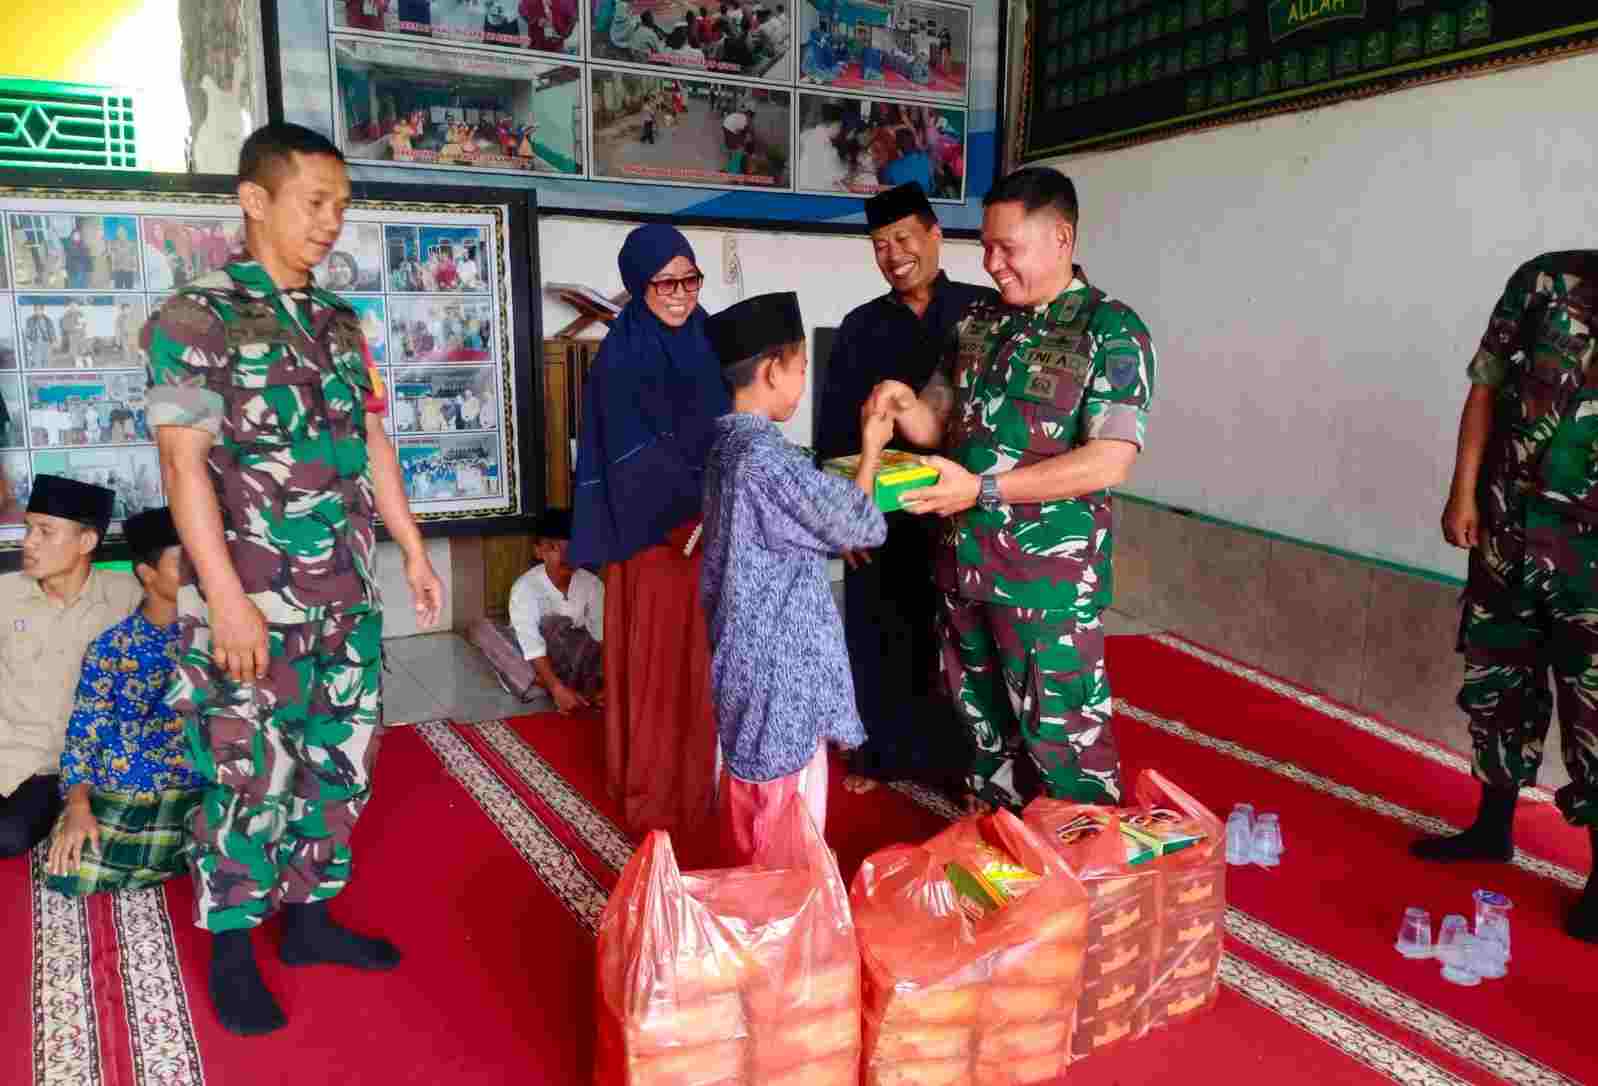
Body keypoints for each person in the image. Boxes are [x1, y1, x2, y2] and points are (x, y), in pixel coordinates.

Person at [142, 122, 444, 1036]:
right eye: (316, 204)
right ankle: (232, 947)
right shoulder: (193, 320)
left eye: (341, 208)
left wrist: (413, 544)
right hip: (253, 603)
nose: (330, 224)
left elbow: (374, 442)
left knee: (339, 762)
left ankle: (310, 922)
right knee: (245, 772)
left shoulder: (338, 322)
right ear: (254, 199)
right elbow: (181, 465)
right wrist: (226, 599)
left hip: (343, 594)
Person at [866, 166, 1156, 813]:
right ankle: (1004, 879)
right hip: (963, 571)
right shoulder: (976, 322)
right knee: (982, 742)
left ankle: (1082, 889)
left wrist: (984, 490)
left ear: (1061, 237)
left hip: (1044, 586)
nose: (992, 263)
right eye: (987, 246)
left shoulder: (1109, 331)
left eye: (1008, 248)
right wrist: (901, 402)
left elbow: (1109, 460)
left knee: (1064, 746)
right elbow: (936, 419)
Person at [1413, 250, 1598, 942]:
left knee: (1594, 711)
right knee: (1499, 681)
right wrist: (1462, 493)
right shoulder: (1544, 283)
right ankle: (1491, 828)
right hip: (1510, 529)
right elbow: (1487, 387)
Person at [816, 182, 999, 795]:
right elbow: (833, 436)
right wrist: (840, 522)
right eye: (878, 245)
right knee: (880, 631)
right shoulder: (859, 327)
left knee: (960, 644)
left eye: (903, 238)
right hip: (886, 521)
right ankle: (878, 754)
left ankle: (961, 764)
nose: (893, 254)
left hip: (964, 512)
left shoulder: (982, 313)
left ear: (935, 236)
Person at [700, 292, 888, 863]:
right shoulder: (765, 457)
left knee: (750, 800)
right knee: (789, 823)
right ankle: (787, 931)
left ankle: (759, 910)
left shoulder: (727, 445)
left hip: (741, 654)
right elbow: (860, 522)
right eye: (802, 367)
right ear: (771, 369)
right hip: (781, 667)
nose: (803, 381)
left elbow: (784, 527)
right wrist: (873, 449)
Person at [570, 224, 727, 837]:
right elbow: (626, 460)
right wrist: (685, 515)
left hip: (710, 534)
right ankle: (657, 794)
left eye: (690, 279)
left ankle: (697, 785)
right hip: (656, 542)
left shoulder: (706, 338)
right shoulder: (621, 356)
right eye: (666, 282)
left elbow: (730, 423)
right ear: (639, 284)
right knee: (661, 671)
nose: (681, 293)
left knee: (701, 669)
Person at [45, 507, 204, 895]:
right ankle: (174, 859)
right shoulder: (112, 646)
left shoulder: (218, 634)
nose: (195, 575)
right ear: (146, 574)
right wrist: (79, 806)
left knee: (246, 849)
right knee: (71, 876)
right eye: (182, 565)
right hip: (131, 788)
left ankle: (183, 854)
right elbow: (85, 729)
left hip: (201, 785)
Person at [0, 476, 140, 858]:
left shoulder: (127, 597)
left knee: (8, 836)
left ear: (86, 542)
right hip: (8, 752)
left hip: (67, 765)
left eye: (45, 531)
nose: (28, 542)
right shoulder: (5, 595)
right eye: (29, 528)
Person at [469, 509, 604, 712]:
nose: (565, 555)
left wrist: (609, 686)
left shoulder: (593, 585)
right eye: (553, 548)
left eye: (572, 548)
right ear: (538, 552)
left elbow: (601, 639)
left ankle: (541, 684)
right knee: (482, 629)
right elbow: (532, 646)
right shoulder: (525, 587)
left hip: (576, 665)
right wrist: (557, 687)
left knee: (567, 627)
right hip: (536, 661)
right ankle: (548, 684)